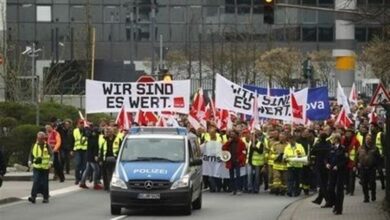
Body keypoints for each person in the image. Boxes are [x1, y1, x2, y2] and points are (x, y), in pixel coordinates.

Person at [28, 132, 53, 203]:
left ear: (44, 139)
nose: (40, 140)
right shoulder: (34, 145)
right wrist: (30, 161)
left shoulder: (47, 145)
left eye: (42, 139)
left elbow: (51, 154)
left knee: (45, 183)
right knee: (35, 181)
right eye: (39, 138)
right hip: (37, 167)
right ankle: (33, 197)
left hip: (45, 167)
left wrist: (50, 162)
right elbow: (31, 154)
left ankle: (45, 197)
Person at [325, 134, 348, 215]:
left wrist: (338, 166)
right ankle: (334, 203)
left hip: (340, 172)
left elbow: (345, 160)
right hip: (332, 171)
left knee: (339, 190)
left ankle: (339, 208)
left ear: (337, 139)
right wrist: (327, 163)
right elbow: (327, 158)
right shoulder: (331, 148)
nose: (332, 140)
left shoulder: (343, 149)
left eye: (333, 139)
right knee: (330, 188)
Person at [357, 134, 381, 203]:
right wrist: (357, 164)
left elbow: (378, 158)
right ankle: (366, 197)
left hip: (371, 168)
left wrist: (376, 166)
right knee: (364, 183)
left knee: (372, 182)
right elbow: (357, 156)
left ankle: (373, 195)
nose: (368, 140)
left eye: (369, 139)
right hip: (363, 168)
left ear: (371, 140)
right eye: (367, 139)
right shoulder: (361, 148)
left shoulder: (375, 148)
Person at [222, 129, 247, 195]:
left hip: (237, 161)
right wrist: (228, 142)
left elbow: (244, 152)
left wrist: (239, 159)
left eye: (233, 134)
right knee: (231, 176)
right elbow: (223, 148)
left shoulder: (241, 142)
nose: (232, 136)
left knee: (238, 176)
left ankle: (239, 189)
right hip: (231, 161)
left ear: (236, 135)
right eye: (231, 134)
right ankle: (233, 189)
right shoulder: (229, 142)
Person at [79, 124, 103, 190]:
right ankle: (95, 184)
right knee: (96, 169)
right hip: (92, 156)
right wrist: (95, 155)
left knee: (87, 169)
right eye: (98, 132)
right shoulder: (94, 138)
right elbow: (94, 148)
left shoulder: (90, 137)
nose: (99, 134)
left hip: (88, 155)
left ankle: (82, 182)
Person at [311, 131, 332, 205]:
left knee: (322, 184)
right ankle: (319, 199)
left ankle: (328, 200)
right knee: (324, 182)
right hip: (327, 166)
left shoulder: (317, 145)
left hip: (319, 165)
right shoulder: (329, 145)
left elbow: (312, 152)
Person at [248, 129, 268, 193]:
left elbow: (260, 151)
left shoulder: (260, 144)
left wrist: (255, 147)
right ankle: (250, 188)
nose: (251, 138)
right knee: (249, 175)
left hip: (258, 163)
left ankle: (256, 188)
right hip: (250, 162)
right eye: (250, 137)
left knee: (257, 176)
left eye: (252, 137)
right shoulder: (249, 143)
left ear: (256, 138)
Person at [341, 128, 360, 196]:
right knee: (346, 176)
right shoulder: (343, 140)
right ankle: (347, 190)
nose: (347, 134)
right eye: (346, 133)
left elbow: (358, 152)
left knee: (352, 176)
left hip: (353, 161)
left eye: (349, 133)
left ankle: (351, 191)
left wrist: (357, 162)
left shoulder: (356, 141)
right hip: (345, 161)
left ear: (352, 134)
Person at [72, 120, 88, 185]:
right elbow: (72, 140)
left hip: (85, 149)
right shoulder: (75, 131)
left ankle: (82, 178)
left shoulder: (86, 130)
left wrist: (85, 130)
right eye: (80, 124)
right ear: (77, 124)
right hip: (77, 149)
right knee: (78, 164)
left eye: (82, 124)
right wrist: (71, 150)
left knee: (84, 165)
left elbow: (86, 137)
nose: (81, 125)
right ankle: (77, 178)